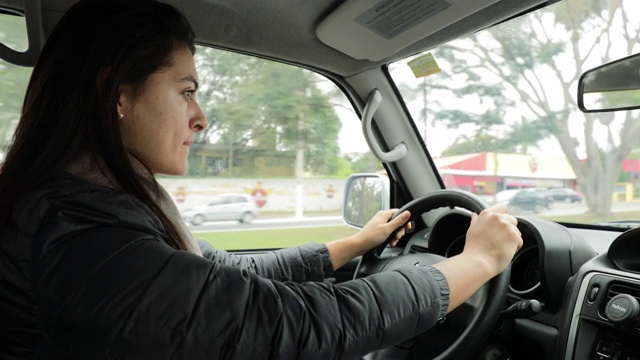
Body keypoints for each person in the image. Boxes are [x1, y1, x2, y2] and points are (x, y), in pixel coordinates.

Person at [0, 0, 522, 358]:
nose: (200, 117)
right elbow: (295, 323)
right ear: (116, 93)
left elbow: (224, 273)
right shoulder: (81, 237)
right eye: (186, 90)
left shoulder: (83, 209)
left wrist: (359, 242)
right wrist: (477, 261)